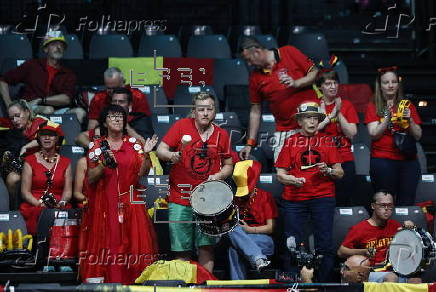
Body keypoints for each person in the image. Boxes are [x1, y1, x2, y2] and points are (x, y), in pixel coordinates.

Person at [79, 104, 159, 284]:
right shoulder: (97, 146)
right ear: (105, 122)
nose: (117, 119)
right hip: (104, 205)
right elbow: (90, 178)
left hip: (131, 203)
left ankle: (133, 284)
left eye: (120, 117)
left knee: (134, 249)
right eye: (112, 116)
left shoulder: (135, 145)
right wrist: (103, 165)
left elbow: (143, 174)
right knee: (108, 248)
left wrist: (146, 155)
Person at [156, 92, 233, 273]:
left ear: (215, 111)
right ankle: (185, 285)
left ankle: (205, 285)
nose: (205, 113)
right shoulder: (181, 126)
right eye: (201, 109)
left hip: (209, 201)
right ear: (194, 111)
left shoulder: (222, 134)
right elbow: (161, 149)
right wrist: (172, 155)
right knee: (181, 249)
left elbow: (229, 164)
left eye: (209, 109)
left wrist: (219, 176)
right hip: (180, 198)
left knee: (206, 247)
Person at [275, 101, 344, 282]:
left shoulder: (327, 141)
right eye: (308, 118)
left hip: (322, 197)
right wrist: (292, 179)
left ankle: (324, 283)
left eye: (315, 118)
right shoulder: (290, 141)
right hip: (294, 198)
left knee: (324, 244)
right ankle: (293, 283)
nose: (312, 121)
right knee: (292, 243)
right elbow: (280, 174)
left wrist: (328, 171)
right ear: (300, 122)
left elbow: (339, 172)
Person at [238, 37, 319, 162]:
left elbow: (314, 72)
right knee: (283, 173)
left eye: (249, 59)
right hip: (284, 131)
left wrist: (297, 83)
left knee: (312, 171)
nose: (249, 64)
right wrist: (250, 143)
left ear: (257, 51)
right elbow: (255, 111)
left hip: (311, 126)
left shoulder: (288, 52)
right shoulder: (255, 77)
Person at [365, 67, 422, 206]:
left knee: (406, 202)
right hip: (382, 160)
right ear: (380, 85)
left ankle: (403, 228)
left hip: (408, 160)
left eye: (393, 82)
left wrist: (411, 121)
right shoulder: (373, 106)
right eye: (386, 82)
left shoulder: (407, 105)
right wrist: (386, 119)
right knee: (384, 203)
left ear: (398, 84)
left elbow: (418, 135)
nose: (390, 85)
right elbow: (373, 133)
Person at [0, 31, 85, 122]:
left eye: (61, 45)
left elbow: (66, 98)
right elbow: (3, 80)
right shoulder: (32, 65)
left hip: (56, 110)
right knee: (48, 110)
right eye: (54, 44)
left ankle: (63, 134)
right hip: (29, 107)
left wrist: (41, 100)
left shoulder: (68, 73)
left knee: (80, 112)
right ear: (45, 49)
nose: (58, 47)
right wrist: (9, 104)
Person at [337, 190, 420, 283]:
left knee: (416, 279)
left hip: (394, 269)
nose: (387, 209)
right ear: (373, 206)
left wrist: (411, 230)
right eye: (382, 205)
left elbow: (412, 250)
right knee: (391, 277)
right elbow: (341, 252)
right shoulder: (360, 228)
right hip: (371, 271)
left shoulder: (395, 226)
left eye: (390, 205)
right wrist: (363, 251)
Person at [316, 59, 359, 206]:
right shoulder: (315, 106)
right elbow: (311, 131)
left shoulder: (346, 105)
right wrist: (330, 116)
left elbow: (352, 133)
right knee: (323, 203)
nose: (333, 86)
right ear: (320, 87)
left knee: (343, 202)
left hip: (344, 159)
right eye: (328, 84)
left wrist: (339, 113)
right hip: (321, 161)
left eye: (335, 83)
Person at [228, 160, 278, 280]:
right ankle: (258, 259)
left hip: (263, 240)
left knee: (235, 246)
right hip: (241, 240)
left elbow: (271, 228)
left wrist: (249, 229)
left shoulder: (265, 196)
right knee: (232, 231)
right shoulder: (234, 199)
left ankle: (237, 287)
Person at [19, 121, 72, 235]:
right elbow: (25, 192)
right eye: (43, 135)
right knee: (40, 212)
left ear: (57, 138)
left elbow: (67, 192)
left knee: (65, 213)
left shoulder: (66, 162)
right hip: (35, 203)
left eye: (51, 135)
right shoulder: (30, 160)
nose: (47, 138)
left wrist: (61, 203)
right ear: (39, 138)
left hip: (58, 203)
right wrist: (39, 204)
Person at [0, 100, 47, 204]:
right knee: (12, 179)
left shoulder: (40, 122)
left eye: (17, 115)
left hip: (40, 164)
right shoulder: (10, 127)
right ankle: (14, 209)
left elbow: (59, 137)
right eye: (12, 118)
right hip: (18, 165)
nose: (15, 120)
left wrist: (27, 146)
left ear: (27, 112)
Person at [77, 87, 153, 147]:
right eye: (114, 101)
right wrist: (96, 148)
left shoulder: (139, 120)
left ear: (129, 105)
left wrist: (127, 128)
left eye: (121, 102)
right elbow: (81, 137)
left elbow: (147, 145)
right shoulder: (108, 121)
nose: (117, 104)